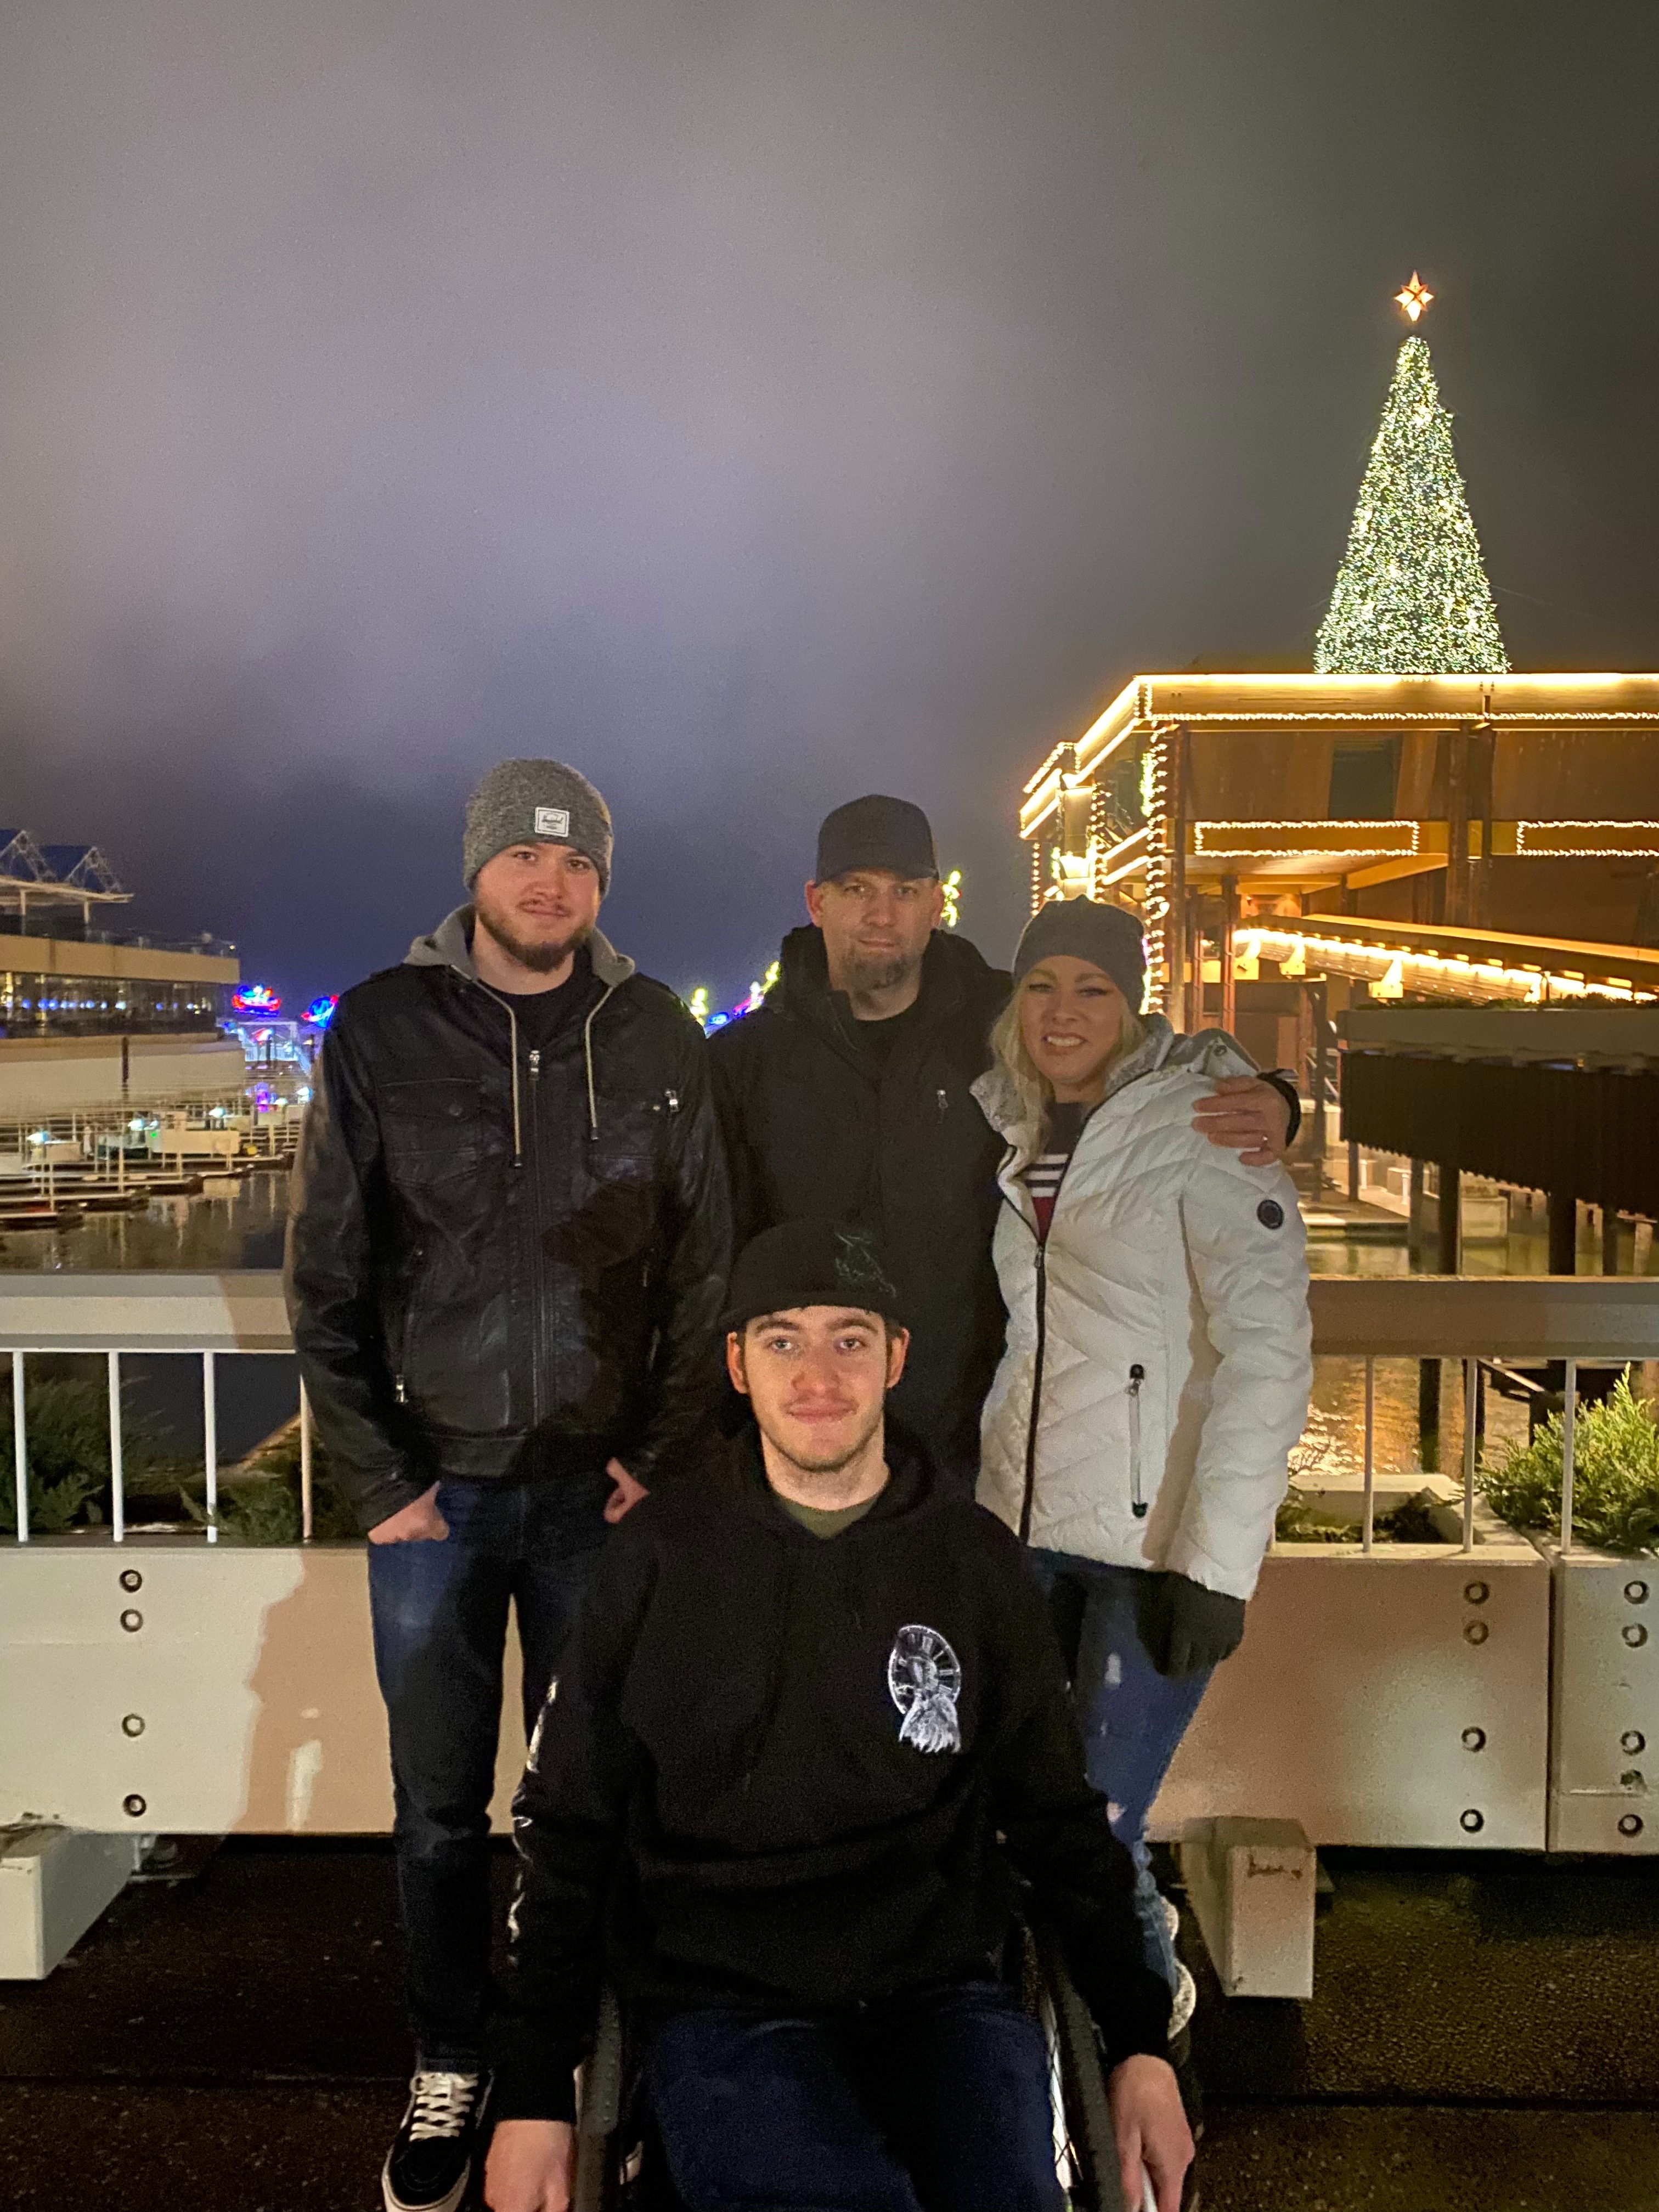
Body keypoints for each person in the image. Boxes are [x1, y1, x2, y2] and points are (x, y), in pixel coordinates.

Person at [483, 1218, 1196, 2212]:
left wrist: (1138, 2044)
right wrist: (530, 2091)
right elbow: (567, 1823)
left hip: (940, 1991)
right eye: (782, 1339)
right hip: (721, 1994)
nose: (816, 1375)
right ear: (738, 1365)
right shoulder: (658, 1556)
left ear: (894, 1358)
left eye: (848, 1339)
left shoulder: (973, 1561)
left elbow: (1057, 1819)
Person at [285, 759, 730, 2212]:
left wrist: (655, 1458)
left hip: (599, 1494)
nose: (553, 883)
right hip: (437, 1501)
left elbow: (705, 1267)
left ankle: (582, 2056)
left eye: (579, 863)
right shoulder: (381, 1028)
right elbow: (327, 1274)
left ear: (601, 882)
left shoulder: (655, 1034)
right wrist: (380, 1480)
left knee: (595, 1799)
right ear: (476, 870)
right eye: (527, 858)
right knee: (436, 1807)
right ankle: (451, 2053)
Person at [707, 794, 1299, 1487]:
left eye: (905, 891)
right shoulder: (746, 1061)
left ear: (937, 905)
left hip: (973, 1438)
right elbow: (713, 1249)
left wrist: (1273, 1095)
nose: (882, 914)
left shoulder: (1002, 1022)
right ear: (817, 902)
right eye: (857, 889)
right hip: (806, 1430)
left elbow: (1136, 1057)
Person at [975, 896, 1313, 2042]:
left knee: (1100, 1820)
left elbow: (1267, 1354)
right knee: (1030, 1806)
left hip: (1148, 1542)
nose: (1062, 1010)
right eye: (1040, 986)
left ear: (1133, 1005)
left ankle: (1138, 2020)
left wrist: (1214, 1565)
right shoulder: (1016, 1121)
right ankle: (1057, 2022)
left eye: (1092, 987)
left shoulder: (1206, 1122)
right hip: (1024, 1529)